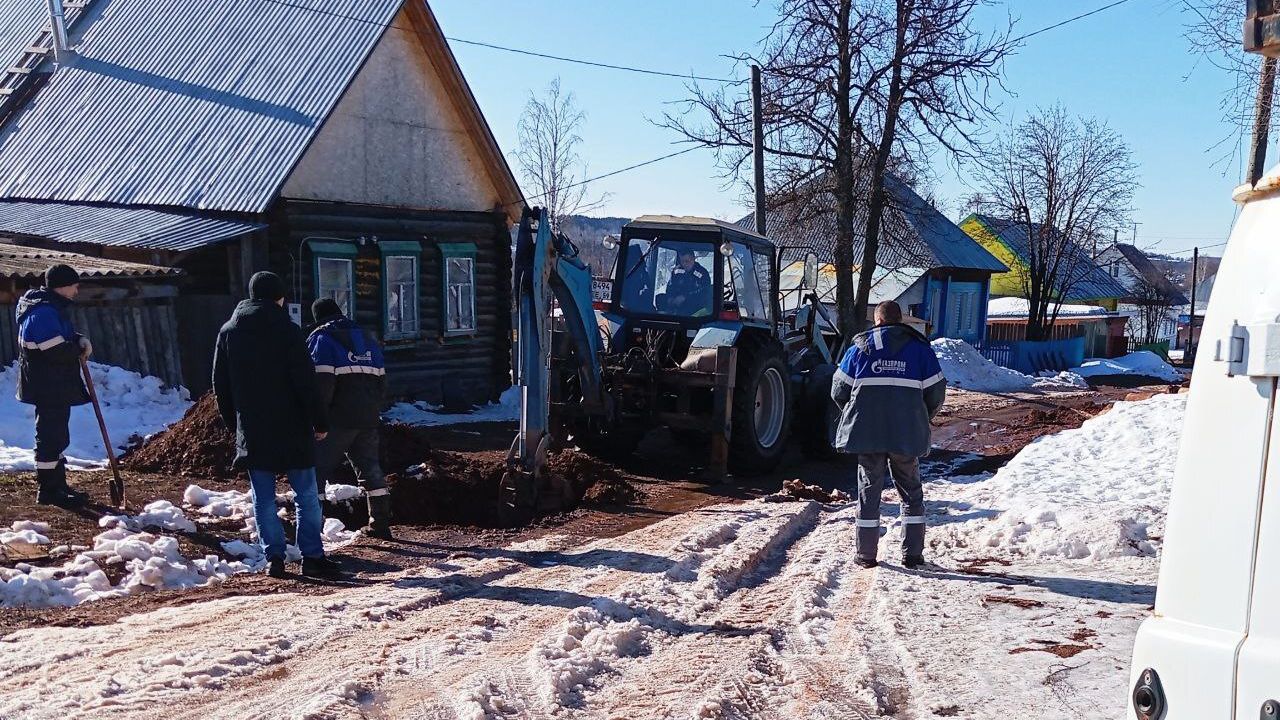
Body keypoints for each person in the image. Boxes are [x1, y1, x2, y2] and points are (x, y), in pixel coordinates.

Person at [212, 271, 338, 579]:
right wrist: (319, 420)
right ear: (278, 297)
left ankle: (275, 559)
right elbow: (306, 382)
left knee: (263, 498)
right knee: (306, 494)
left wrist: (235, 424)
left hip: (254, 428)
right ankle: (312, 556)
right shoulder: (289, 331)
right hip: (292, 426)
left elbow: (220, 384)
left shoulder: (229, 331)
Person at [831, 301, 946, 569]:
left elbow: (838, 391)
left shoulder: (859, 348)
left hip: (867, 435)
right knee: (911, 494)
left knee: (869, 492)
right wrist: (921, 418)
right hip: (906, 435)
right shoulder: (920, 350)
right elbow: (937, 393)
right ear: (901, 321)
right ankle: (913, 555)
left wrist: (856, 414)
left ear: (878, 321)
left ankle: (866, 555)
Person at [308, 298, 393, 540]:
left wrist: (318, 417)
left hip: (336, 420)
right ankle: (380, 524)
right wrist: (374, 409)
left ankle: (313, 531)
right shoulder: (367, 339)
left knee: (316, 472)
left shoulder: (322, 339)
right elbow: (382, 383)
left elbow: (321, 384)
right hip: (367, 418)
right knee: (370, 468)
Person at [15, 264, 93, 506]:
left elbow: (61, 337)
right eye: (74, 285)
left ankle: (58, 485)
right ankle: (49, 490)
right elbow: (53, 348)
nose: (77, 291)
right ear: (63, 285)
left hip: (53, 383)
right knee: (50, 436)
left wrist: (78, 339)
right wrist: (76, 349)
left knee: (57, 435)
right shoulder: (43, 312)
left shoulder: (49, 307)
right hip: (48, 385)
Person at [661, 249, 711, 315]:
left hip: (694, 306)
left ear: (693, 259)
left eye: (687, 261)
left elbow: (704, 292)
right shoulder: (676, 270)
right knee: (660, 298)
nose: (684, 264)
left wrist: (685, 297)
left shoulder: (702, 274)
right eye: (682, 261)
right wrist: (670, 297)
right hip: (676, 303)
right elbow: (670, 286)